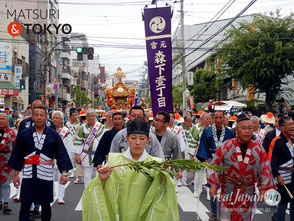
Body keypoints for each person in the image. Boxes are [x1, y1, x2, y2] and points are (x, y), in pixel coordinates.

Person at [82, 118, 179, 221]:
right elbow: (100, 192)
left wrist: (163, 177)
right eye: (133, 138)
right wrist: (102, 180)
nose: (137, 143)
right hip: (120, 214)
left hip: (145, 215)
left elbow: (164, 194)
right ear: (127, 138)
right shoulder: (115, 162)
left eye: (142, 138)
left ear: (148, 140)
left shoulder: (156, 164)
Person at [8, 106, 73, 221]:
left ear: (46, 118)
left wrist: (64, 173)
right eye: (36, 115)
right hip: (28, 174)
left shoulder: (53, 134)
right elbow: (18, 154)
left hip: (46, 174)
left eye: (41, 115)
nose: (39, 118)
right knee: (25, 204)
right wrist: (16, 174)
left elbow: (61, 153)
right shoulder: (24, 134)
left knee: (46, 205)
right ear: (32, 117)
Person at [208, 116, 276, 221]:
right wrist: (214, 185)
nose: (247, 131)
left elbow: (265, 169)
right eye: (243, 128)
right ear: (236, 130)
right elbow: (216, 166)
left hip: (247, 192)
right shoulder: (226, 146)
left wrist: (263, 190)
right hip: (228, 190)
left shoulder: (258, 148)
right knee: (225, 218)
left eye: (249, 128)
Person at [197, 110, 234, 221]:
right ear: (213, 119)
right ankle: (213, 212)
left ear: (224, 118)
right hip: (212, 161)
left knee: (227, 188)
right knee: (213, 186)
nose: (218, 120)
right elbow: (203, 145)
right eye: (216, 118)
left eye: (220, 118)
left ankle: (225, 211)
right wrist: (207, 159)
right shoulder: (207, 131)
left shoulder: (229, 132)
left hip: (226, 162)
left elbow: (232, 147)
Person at [268, 117, 294, 221]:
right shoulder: (276, 141)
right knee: (282, 203)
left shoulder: (293, 139)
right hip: (282, 176)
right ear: (282, 127)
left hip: (293, 176)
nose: (292, 127)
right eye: (289, 125)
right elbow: (272, 160)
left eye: (293, 124)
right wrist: (277, 175)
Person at [73, 108, 106, 187]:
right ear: (86, 117)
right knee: (87, 176)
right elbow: (78, 142)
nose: (90, 118)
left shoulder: (101, 127)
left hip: (99, 155)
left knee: (100, 175)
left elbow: (104, 142)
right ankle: (87, 195)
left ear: (95, 116)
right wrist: (77, 155)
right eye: (89, 116)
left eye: (92, 116)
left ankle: (99, 194)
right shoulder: (82, 127)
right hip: (86, 156)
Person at [188, 112, 212, 198]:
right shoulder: (196, 128)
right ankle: (196, 190)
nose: (208, 120)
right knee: (199, 172)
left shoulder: (212, 129)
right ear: (201, 119)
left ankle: (210, 191)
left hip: (210, 153)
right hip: (199, 153)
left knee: (211, 173)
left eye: (209, 118)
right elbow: (192, 141)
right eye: (206, 118)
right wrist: (191, 153)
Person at [52, 110, 72, 204]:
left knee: (62, 177)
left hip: (61, 158)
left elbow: (68, 146)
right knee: (49, 178)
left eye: (57, 118)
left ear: (61, 120)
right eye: (54, 118)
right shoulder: (48, 130)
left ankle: (60, 197)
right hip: (50, 159)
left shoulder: (66, 132)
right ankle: (51, 194)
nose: (55, 120)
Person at [0, 113, 16, 214]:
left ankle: (5, 203)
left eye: (3, 119)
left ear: (7, 121)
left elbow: (16, 146)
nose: (1, 121)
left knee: (5, 182)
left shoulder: (11, 132)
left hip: (7, 160)